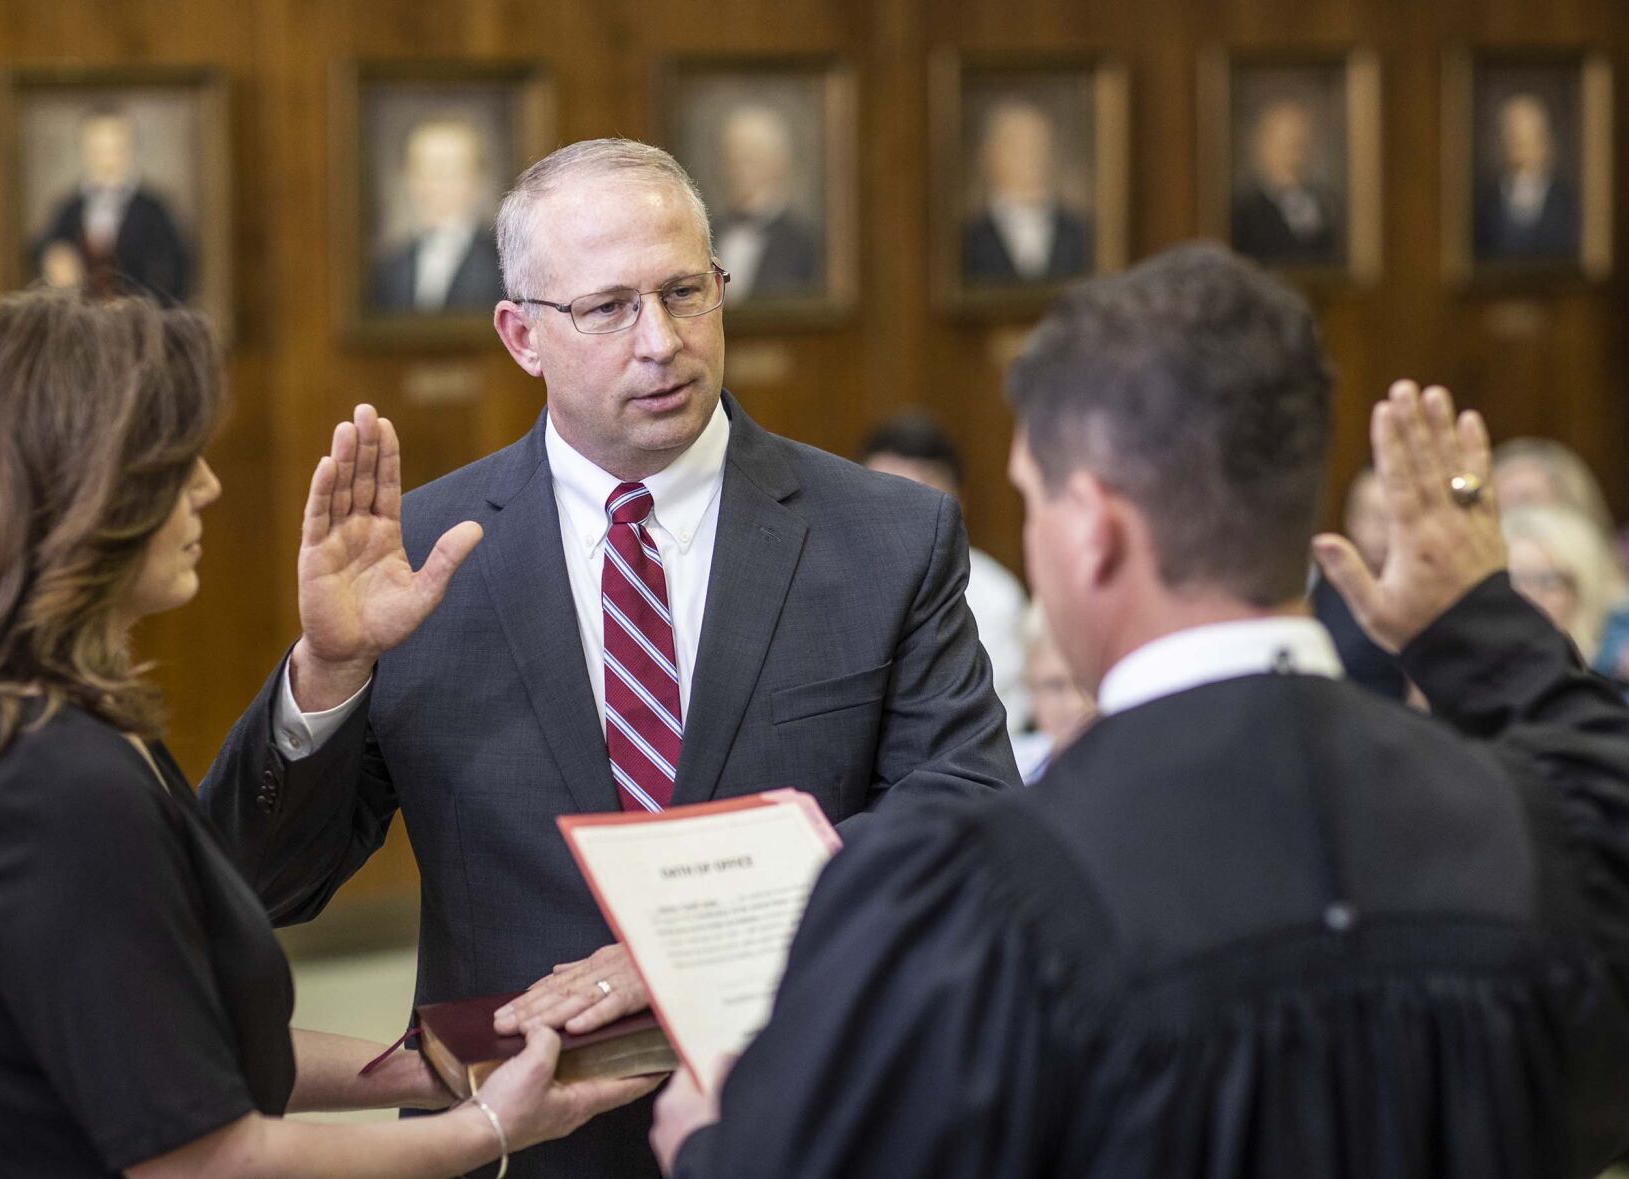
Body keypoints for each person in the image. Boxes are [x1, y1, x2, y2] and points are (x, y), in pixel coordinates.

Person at [650, 243, 1629, 1178]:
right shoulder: (1538, 835)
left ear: (1094, 529)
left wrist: (712, 1147)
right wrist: (1475, 627)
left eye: (1032, 499)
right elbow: (1594, 764)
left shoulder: (970, 897)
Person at [199, 138, 1017, 1179]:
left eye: (685, 293)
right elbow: (256, 886)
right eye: (608, 307)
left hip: (817, 1122)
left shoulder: (886, 537)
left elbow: (961, 819)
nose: (661, 342)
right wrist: (327, 675)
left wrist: (696, 944)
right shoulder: (423, 556)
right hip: (516, 1145)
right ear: (520, 334)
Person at [0, 291, 655, 1177]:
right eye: (172, 460)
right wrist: (489, 1130)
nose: (206, 484)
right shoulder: (53, 783)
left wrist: (437, 1069)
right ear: (73, 487)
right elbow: (199, 1155)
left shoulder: (65, 726)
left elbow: (181, 1050)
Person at [859, 412, 1031, 734]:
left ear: (957, 501)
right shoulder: (830, 584)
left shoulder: (996, 596)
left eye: (916, 494)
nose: (898, 516)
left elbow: (1002, 720)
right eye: (883, 495)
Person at [33, 108, 192, 303]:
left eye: (116, 149)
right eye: (98, 150)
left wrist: (138, 303)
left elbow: (175, 273)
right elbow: (44, 251)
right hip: (80, 321)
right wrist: (53, 258)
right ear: (84, 151)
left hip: (138, 322)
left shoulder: (154, 210)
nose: (107, 160)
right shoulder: (69, 209)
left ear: (131, 150)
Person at [371, 117, 507, 314]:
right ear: (409, 179)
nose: (435, 183)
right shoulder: (390, 269)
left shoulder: (500, 263)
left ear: (476, 179)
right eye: (425, 170)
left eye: (449, 170)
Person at [962, 99, 1090, 285]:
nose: (1032, 156)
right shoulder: (968, 239)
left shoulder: (1079, 231)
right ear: (990, 154)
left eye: (1039, 144)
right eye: (1017, 145)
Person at [1309, 466, 1409, 700]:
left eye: (1393, 518)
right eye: (1374, 517)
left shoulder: (1431, 594)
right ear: (1351, 519)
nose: (1382, 532)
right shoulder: (1320, 596)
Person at [712, 104, 819, 302]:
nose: (736, 169)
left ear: (778, 162)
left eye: (749, 158)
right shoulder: (708, 233)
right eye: (731, 157)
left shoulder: (802, 243)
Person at [1504, 503, 1625, 670]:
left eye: (1548, 581)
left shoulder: (1614, 671)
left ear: (1583, 589)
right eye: (1514, 581)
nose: (1528, 596)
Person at [1230, 98, 1340, 266]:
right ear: (1263, 147)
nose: (1295, 154)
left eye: (1301, 143)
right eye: (1286, 145)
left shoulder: (1329, 202)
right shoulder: (1244, 209)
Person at [1474, 94, 1579, 262]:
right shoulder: (1484, 199)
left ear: (1545, 140)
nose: (1520, 146)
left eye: (1528, 137)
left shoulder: (1567, 198)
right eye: (1513, 136)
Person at [1007, 605, 1095, 784]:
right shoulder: (1005, 773)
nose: (1076, 704)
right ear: (1029, 689)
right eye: (1054, 686)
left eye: (1085, 683)